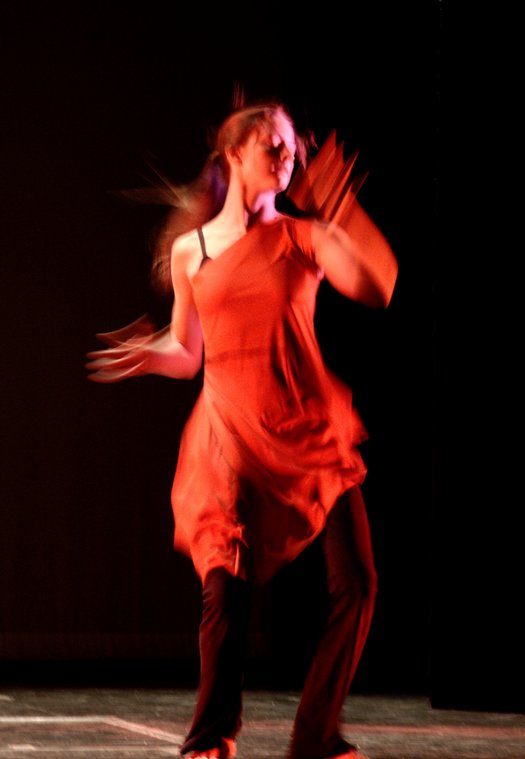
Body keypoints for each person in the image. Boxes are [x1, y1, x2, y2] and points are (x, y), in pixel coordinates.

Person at [86, 99, 398, 759]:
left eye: (291, 148)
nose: (286, 157)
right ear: (234, 153)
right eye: (271, 146)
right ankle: (210, 733)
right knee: (224, 586)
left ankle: (315, 734)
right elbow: (188, 351)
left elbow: (378, 286)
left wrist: (340, 205)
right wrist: (151, 355)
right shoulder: (192, 250)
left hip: (309, 430)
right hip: (229, 431)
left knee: (358, 582)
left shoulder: (304, 236)